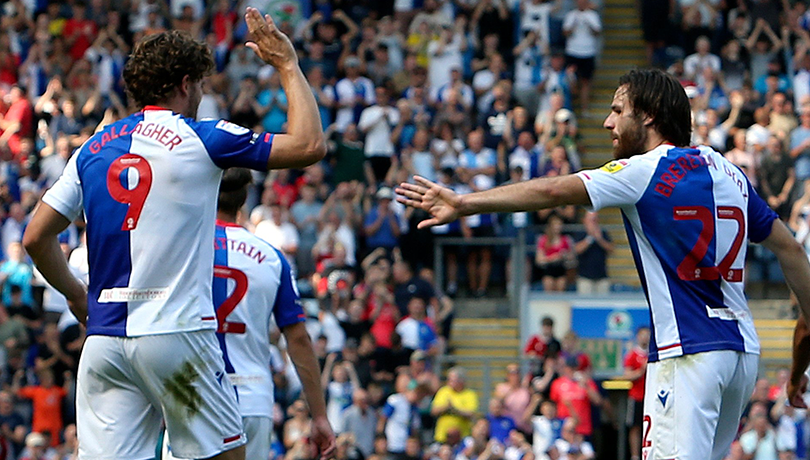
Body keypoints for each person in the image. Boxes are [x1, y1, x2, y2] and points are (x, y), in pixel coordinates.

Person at [397, 68, 810, 460]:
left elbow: (554, 190)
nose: (608, 123)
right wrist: (800, 359)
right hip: (741, 357)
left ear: (647, 116)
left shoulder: (643, 169)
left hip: (688, 354)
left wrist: (464, 202)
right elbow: (792, 252)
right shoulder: (730, 172)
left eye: (617, 110)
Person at [22, 11, 332, 460]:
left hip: (105, 344)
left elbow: (35, 238)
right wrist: (287, 64)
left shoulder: (94, 147)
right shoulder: (201, 137)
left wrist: (77, 295)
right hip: (177, 335)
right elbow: (309, 145)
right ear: (186, 85)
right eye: (202, 86)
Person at [163, 168, 335, 460]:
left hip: (189, 393)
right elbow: (299, 340)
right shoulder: (271, 257)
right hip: (251, 399)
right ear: (243, 202)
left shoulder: (179, 248)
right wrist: (319, 415)